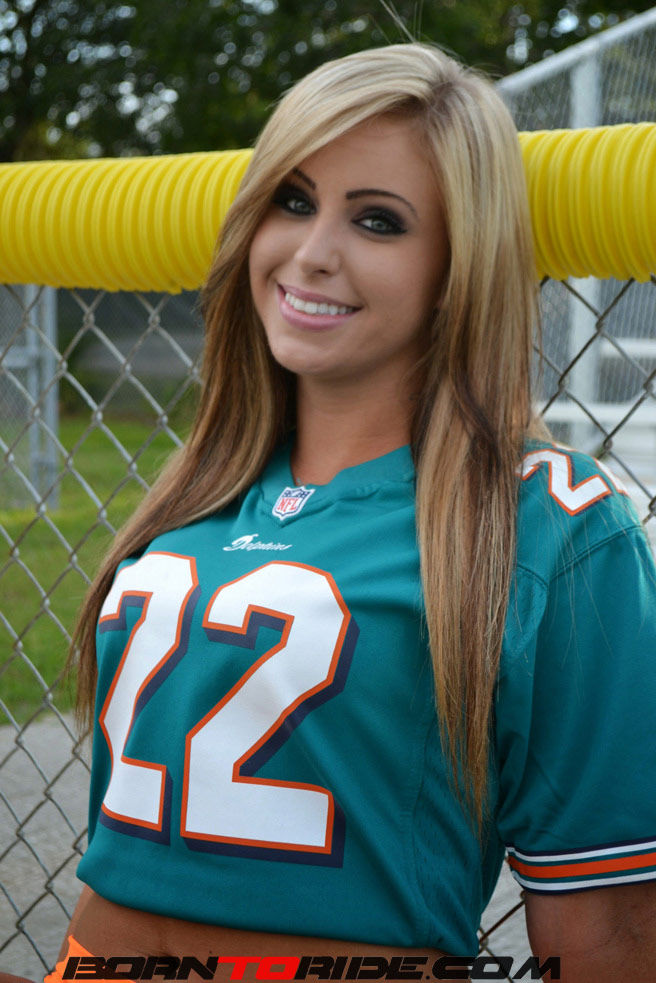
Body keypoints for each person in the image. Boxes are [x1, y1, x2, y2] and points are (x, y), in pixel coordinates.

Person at [42, 42, 656, 983]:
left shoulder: (550, 523)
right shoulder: (203, 485)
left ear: (461, 263)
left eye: (377, 221)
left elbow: (608, 938)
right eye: (292, 201)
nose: (311, 254)